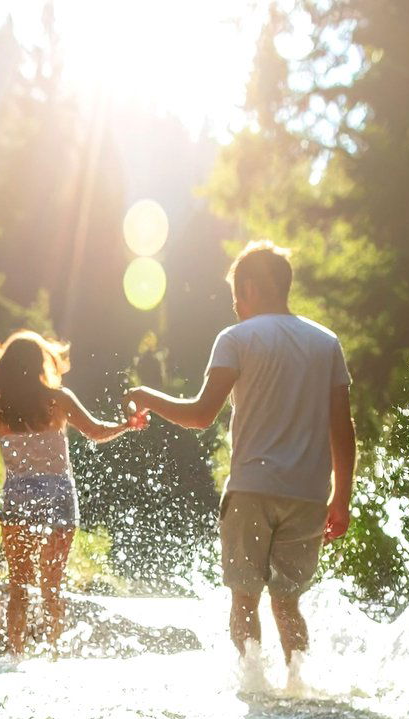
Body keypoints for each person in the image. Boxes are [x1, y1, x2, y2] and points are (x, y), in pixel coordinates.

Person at [122, 240, 356, 666]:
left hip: (252, 488)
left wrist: (147, 396)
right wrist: (341, 498)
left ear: (248, 287)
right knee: (287, 603)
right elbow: (343, 427)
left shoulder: (236, 339)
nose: (234, 303)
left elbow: (200, 415)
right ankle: (299, 685)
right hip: (308, 494)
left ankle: (253, 688)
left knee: (244, 600)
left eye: (235, 292)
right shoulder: (326, 343)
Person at [0, 330, 146, 655]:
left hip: (18, 497)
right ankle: (54, 654)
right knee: (52, 587)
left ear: (5, 369)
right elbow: (97, 432)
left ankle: (17, 655)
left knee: (19, 587)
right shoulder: (59, 400)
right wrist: (127, 425)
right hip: (58, 496)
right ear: (40, 364)